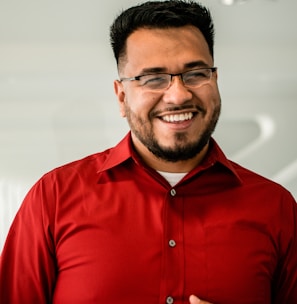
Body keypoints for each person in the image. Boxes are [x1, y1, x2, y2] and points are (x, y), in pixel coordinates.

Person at [0, 0, 296, 303]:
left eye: (195, 74)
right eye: (153, 79)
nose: (179, 95)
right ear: (121, 96)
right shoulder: (52, 199)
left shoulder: (277, 208)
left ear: (215, 80)